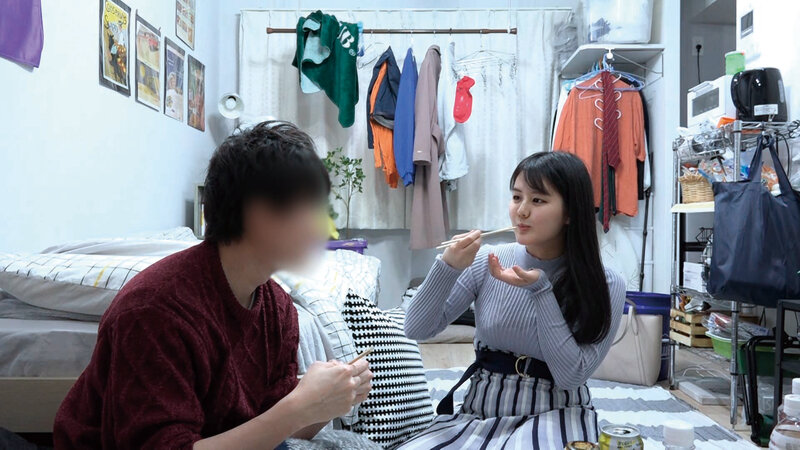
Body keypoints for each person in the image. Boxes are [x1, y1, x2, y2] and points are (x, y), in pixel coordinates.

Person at [53, 121, 373, 449]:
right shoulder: (156, 311)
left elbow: (266, 435)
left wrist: (324, 404)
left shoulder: (278, 308)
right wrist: (297, 408)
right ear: (258, 214)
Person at [400, 152, 626, 449]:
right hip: (481, 409)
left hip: (556, 412)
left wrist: (541, 291)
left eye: (538, 200)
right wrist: (448, 266)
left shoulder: (606, 283)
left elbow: (571, 376)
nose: (521, 211)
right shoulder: (487, 260)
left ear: (570, 213)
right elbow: (416, 329)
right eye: (517, 197)